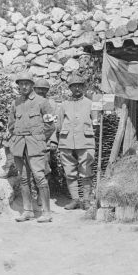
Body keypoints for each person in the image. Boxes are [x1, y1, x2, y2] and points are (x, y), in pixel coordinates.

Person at [7, 71, 57, 223]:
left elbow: (50, 125)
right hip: (19, 146)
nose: (23, 86)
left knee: (40, 178)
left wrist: (40, 139)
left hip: (35, 146)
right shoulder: (15, 103)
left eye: (26, 83)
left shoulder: (42, 102)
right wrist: (17, 137)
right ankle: (28, 210)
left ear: (32, 85)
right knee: (23, 179)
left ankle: (46, 212)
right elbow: (11, 125)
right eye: (21, 84)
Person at [49, 73, 95, 210]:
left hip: (85, 142)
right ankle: (75, 200)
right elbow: (57, 125)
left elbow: (97, 122)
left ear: (84, 87)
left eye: (80, 86)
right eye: (74, 86)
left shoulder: (91, 104)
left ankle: (86, 200)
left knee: (86, 171)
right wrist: (54, 141)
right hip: (66, 142)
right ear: (70, 88)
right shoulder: (63, 105)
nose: (77, 89)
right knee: (69, 172)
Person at [33, 78, 58, 177]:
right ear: (34, 89)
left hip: (45, 141)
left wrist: (53, 140)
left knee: (44, 169)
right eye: (38, 89)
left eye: (44, 89)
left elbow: (55, 123)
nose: (41, 91)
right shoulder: (29, 102)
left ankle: (44, 191)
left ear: (47, 91)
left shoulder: (52, 104)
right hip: (30, 140)